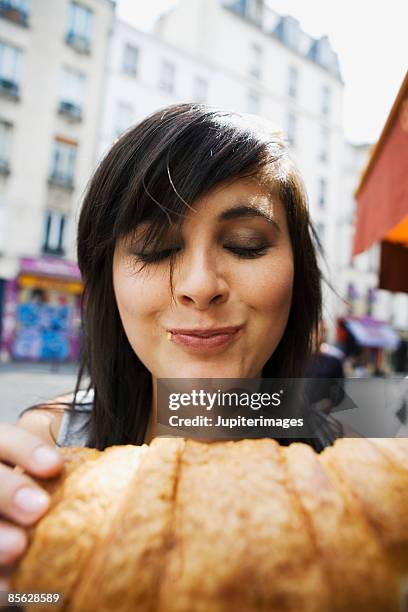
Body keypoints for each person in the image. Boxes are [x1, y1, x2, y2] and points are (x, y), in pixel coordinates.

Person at [0, 103, 337, 586]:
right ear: (108, 279)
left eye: (245, 243)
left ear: (297, 274)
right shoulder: (45, 454)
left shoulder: (360, 461)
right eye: (156, 248)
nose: (200, 285)